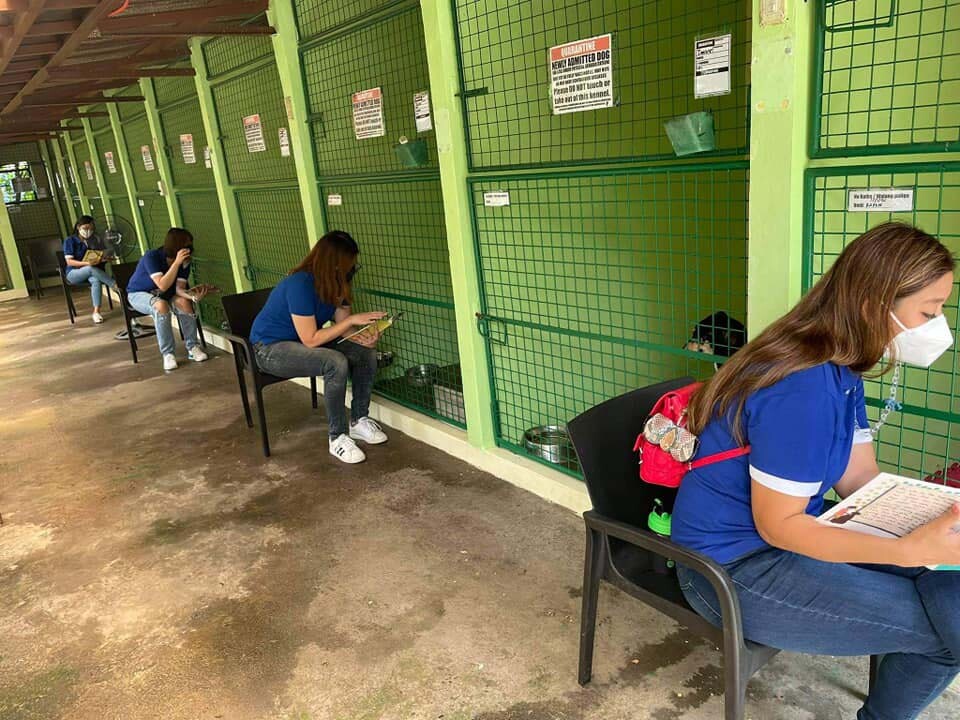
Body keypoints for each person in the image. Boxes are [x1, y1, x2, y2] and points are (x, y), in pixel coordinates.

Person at [671, 221, 960, 720]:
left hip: (789, 536)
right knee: (945, 634)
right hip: (732, 569)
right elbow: (778, 526)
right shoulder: (802, 387)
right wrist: (905, 548)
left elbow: (858, 480)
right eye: (929, 312)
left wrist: (930, 517)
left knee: (949, 577)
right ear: (875, 304)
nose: (938, 326)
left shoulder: (840, 365)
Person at [250, 230, 387, 464]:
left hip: (301, 342)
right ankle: (338, 437)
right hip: (270, 349)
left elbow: (344, 329)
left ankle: (358, 421)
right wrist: (352, 321)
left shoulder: (338, 283)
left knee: (365, 353)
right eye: (348, 264)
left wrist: (364, 338)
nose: (352, 268)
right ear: (333, 264)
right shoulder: (300, 283)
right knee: (334, 361)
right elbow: (311, 339)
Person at [126, 228, 209, 372]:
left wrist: (193, 296)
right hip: (138, 294)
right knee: (161, 306)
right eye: (186, 245)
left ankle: (193, 346)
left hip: (166, 295)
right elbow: (162, 284)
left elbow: (179, 289)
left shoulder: (185, 262)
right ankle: (168, 353)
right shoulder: (151, 256)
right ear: (176, 246)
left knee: (184, 303)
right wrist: (176, 263)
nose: (189, 249)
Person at [63, 215, 117, 324]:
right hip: (74, 272)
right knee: (90, 268)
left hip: (91, 271)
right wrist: (87, 263)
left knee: (95, 280)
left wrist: (104, 259)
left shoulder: (95, 240)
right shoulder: (70, 240)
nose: (88, 231)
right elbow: (69, 262)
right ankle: (115, 285)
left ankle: (96, 312)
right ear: (78, 227)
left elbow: (97, 255)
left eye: (91, 229)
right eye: (86, 228)